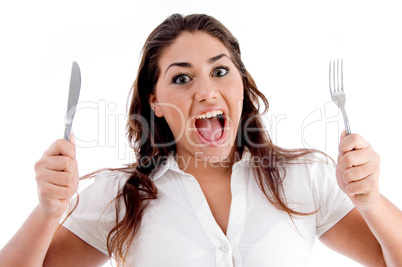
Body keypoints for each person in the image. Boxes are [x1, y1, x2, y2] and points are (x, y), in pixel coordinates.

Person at [0, 13, 401, 267]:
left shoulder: (305, 177)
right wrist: (48, 212)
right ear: (154, 102)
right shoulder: (121, 195)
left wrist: (369, 201)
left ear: (242, 84)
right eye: (182, 78)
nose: (206, 91)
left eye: (220, 71)